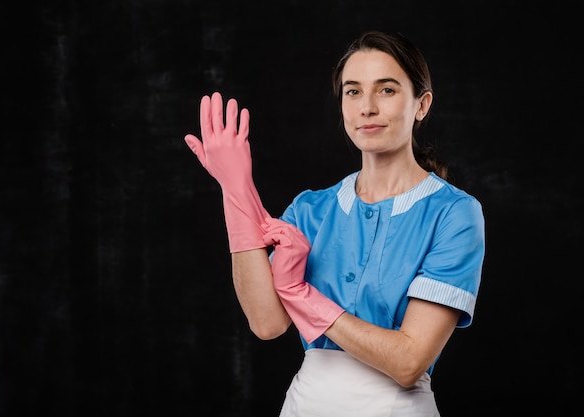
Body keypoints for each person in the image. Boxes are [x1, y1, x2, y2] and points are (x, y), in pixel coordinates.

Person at [184, 30, 485, 417]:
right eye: (353, 91)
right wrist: (235, 191)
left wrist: (302, 294)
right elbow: (266, 322)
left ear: (421, 104)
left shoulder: (454, 213)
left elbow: (408, 363)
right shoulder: (311, 209)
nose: (367, 107)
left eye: (387, 90)